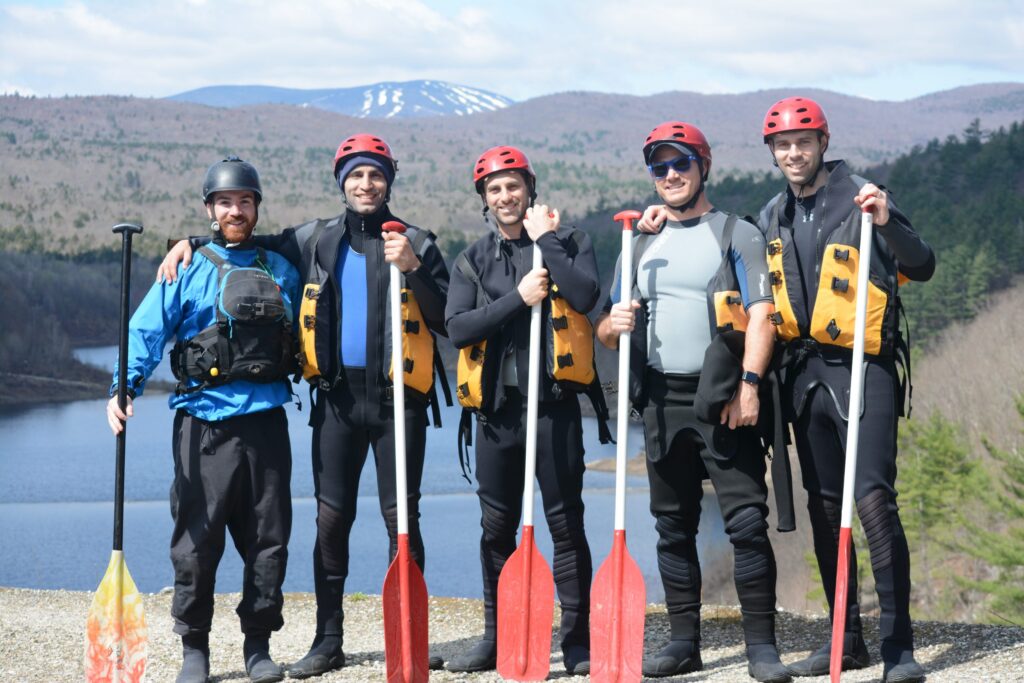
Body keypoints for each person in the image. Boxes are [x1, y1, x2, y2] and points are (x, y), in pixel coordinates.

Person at [157, 135, 451, 677]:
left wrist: (412, 267)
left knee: (402, 521)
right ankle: (328, 639)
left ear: (390, 180)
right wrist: (189, 242)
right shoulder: (314, 239)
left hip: (398, 406)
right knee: (330, 522)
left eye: (376, 175)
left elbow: (445, 320)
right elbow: (242, 239)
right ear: (342, 181)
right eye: (356, 175)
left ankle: (409, 635)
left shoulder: (418, 242)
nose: (367, 184)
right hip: (337, 404)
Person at [598, 122, 791, 682]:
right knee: (672, 527)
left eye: (681, 163)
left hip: (722, 396)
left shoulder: (737, 233)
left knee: (746, 523)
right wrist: (615, 323)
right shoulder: (640, 240)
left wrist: (749, 385)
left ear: (703, 167)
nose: (671, 175)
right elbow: (608, 331)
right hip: (660, 399)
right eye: (659, 167)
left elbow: (762, 315)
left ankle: (761, 647)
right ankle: (685, 643)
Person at [756, 97, 934, 683]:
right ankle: (845, 638)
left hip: (863, 368)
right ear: (773, 152)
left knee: (874, 501)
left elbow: (922, 263)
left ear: (822, 143)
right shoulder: (771, 216)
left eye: (803, 142)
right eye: (783, 145)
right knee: (824, 507)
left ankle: (898, 648)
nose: (793, 153)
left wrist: (887, 220)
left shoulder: (862, 197)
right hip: (803, 375)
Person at [107, 157, 300, 683]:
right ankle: (196, 647)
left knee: (268, 539)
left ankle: (257, 646)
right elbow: (146, 330)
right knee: (197, 541)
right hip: (203, 423)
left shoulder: (281, 268)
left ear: (256, 207)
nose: (235, 210)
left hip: (266, 423)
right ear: (210, 210)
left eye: (244, 201)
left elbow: (311, 328)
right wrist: (124, 385)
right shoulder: (185, 266)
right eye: (225, 202)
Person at [443, 145, 601, 675]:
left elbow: (583, 295)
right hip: (497, 418)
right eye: (494, 189)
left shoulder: (569, 242)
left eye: (513, 185)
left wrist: (546, 243)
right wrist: (519, 297)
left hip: (553, 412)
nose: (505, 196)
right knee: (496, 529)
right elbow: (458, 327)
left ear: (530, 189)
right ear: (485, 200)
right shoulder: (473, 258)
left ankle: (576, 641)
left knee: (565, 524)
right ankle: (498, 633)